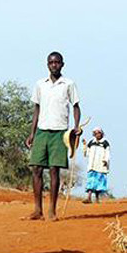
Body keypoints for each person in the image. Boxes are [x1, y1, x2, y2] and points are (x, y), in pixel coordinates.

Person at [25, 51, 81, 221]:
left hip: (60, 132)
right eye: (51, 62)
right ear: (47, 65)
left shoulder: (68, 84)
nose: (54, 65)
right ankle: (37, 210)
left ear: (62, 64)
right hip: (42, 130)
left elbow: (76, 107)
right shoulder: (40, 84)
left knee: (54, 170)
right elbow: (36, 109)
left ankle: (52, 211)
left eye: (57, 62)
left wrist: (76, 127)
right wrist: (32, 133)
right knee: (36, 168)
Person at [82, 127, 110, 204]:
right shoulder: (91, 142)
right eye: (96, 133)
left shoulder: (105, 143)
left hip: (101, 166)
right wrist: (84, 145)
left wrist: (105, 160)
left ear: (102, 133)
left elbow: (107, 153)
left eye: (99, 133)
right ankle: (89, 197)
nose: (97, 134)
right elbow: (87, 153)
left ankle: (97, 199)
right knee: (91, 181)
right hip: (92, 166)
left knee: (99, 183)